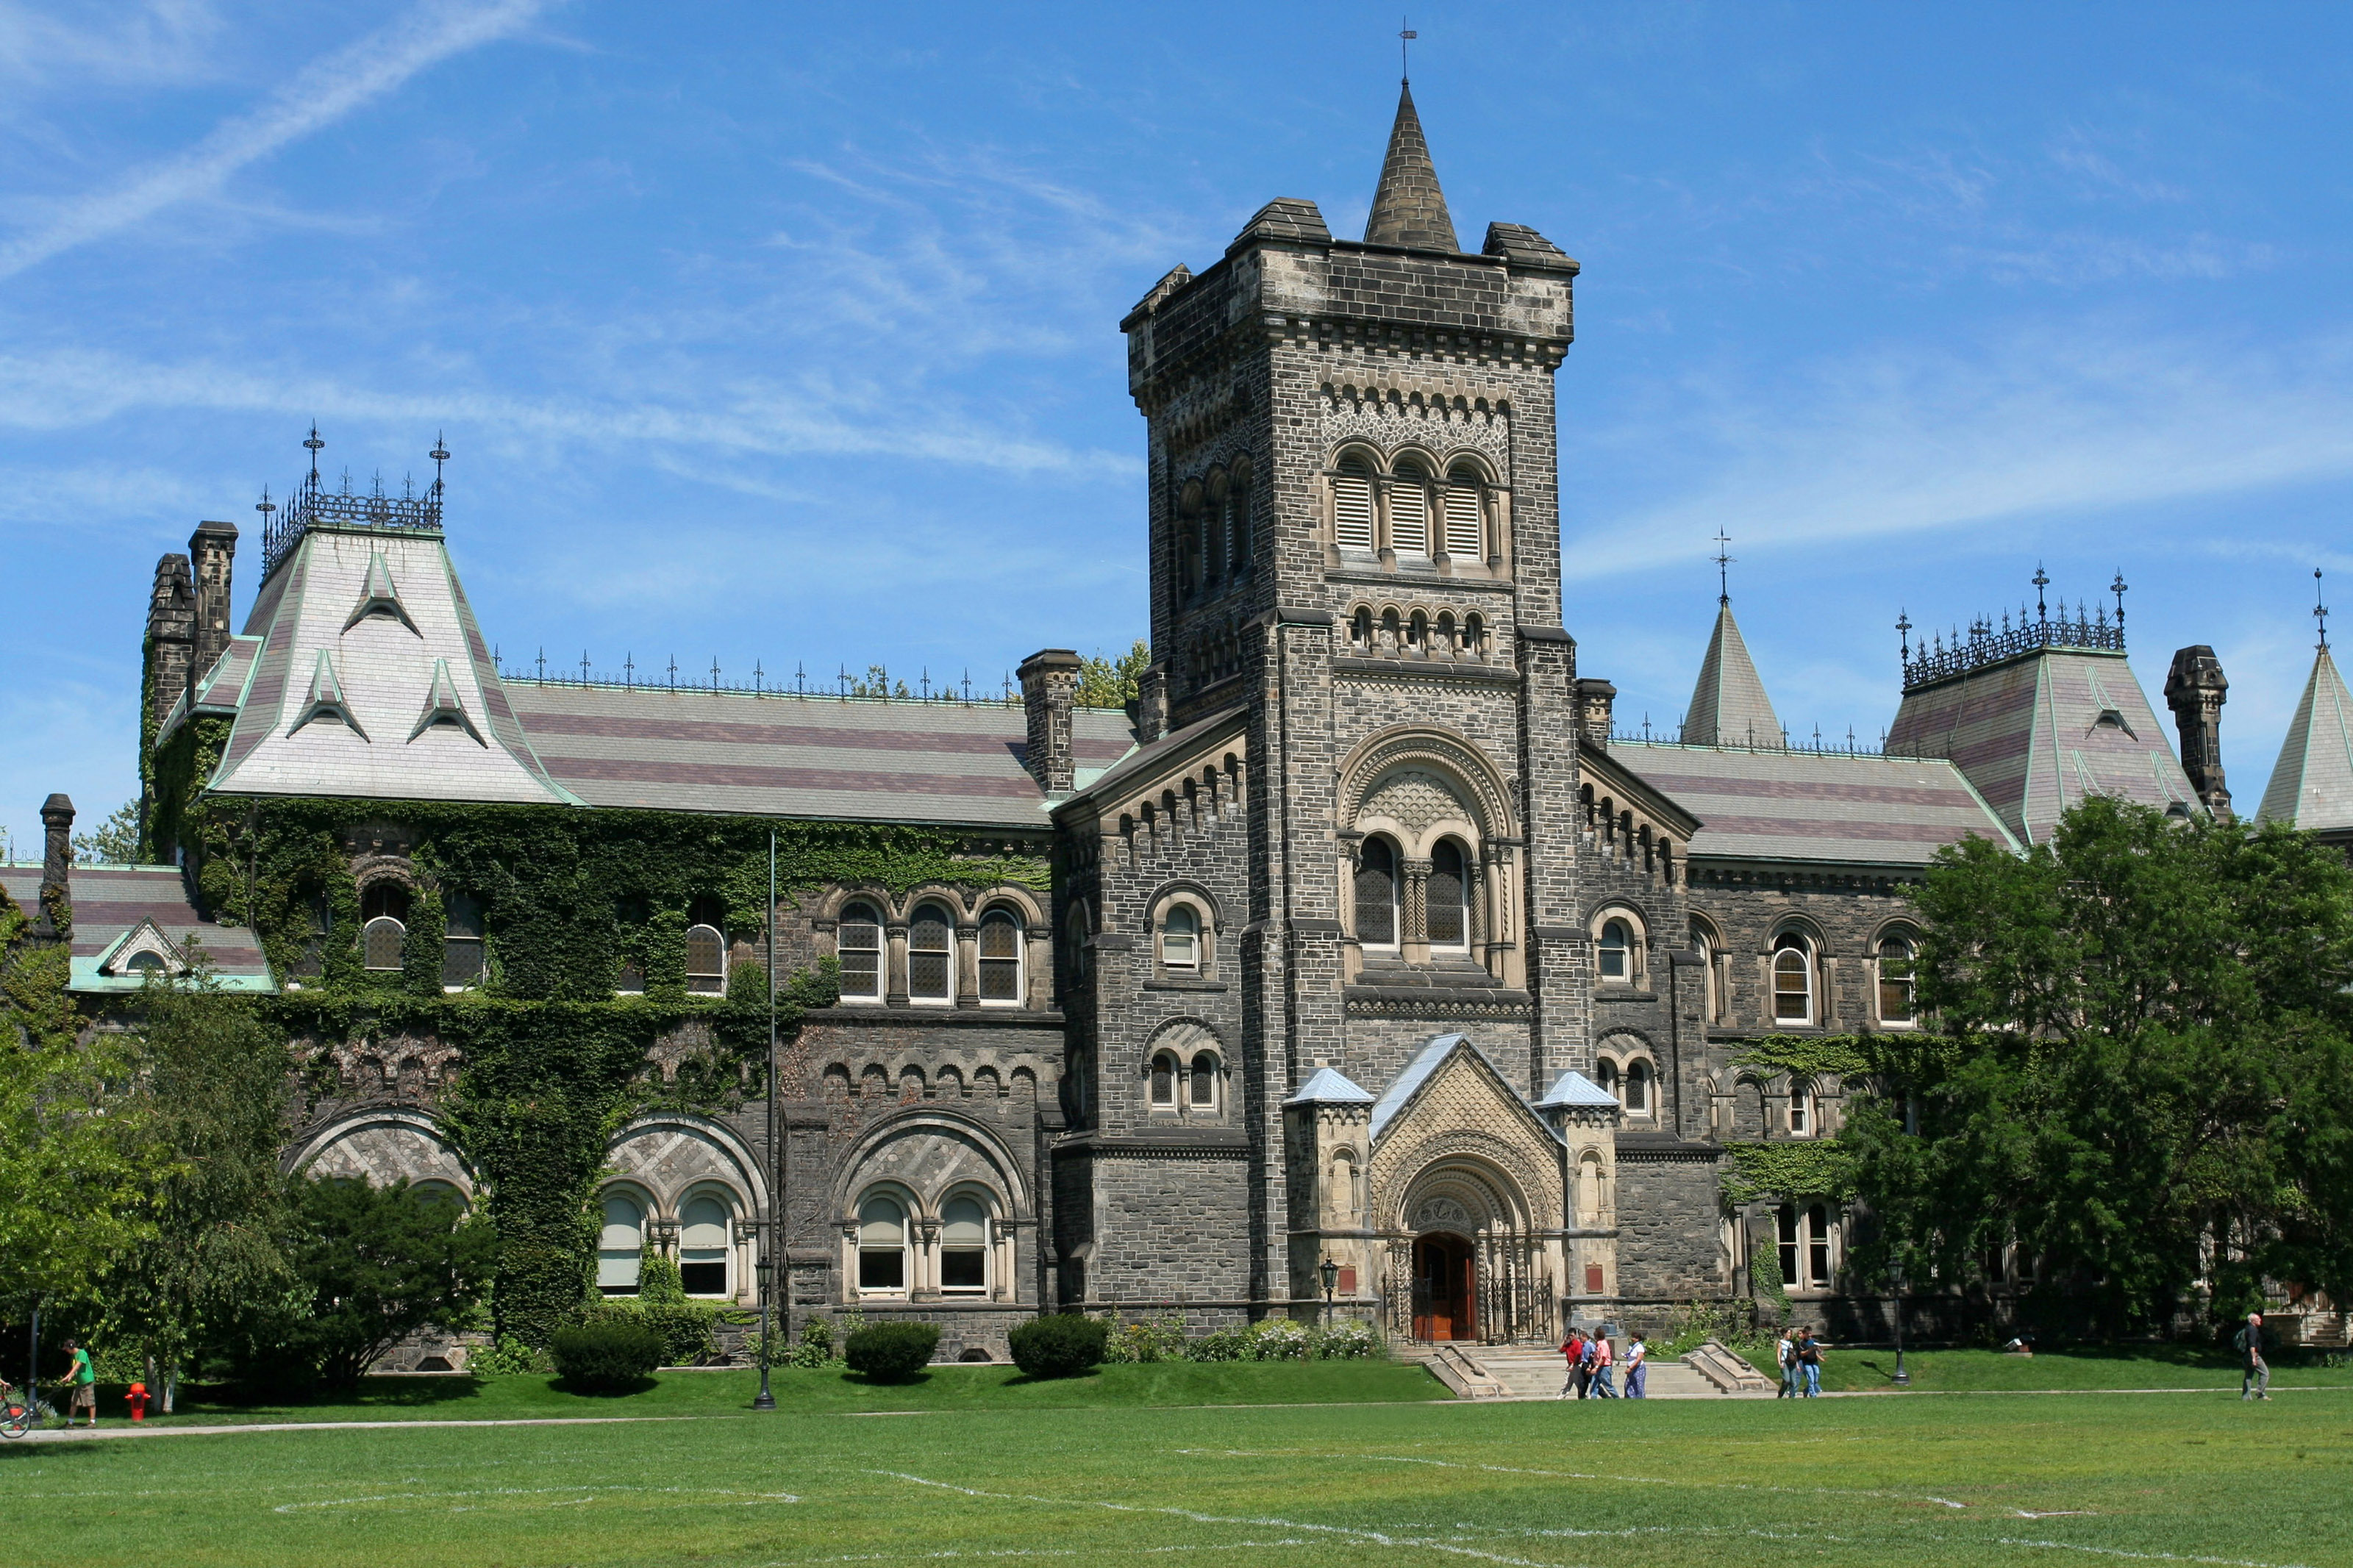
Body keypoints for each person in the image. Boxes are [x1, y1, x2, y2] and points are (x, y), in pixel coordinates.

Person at [57, 1338, 96, 1428]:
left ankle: (92, 1422)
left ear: (71, 1348)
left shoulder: (82, 1353)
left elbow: (78, 1366)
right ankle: (70, 1423)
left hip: (87, 1381)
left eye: (66, 1349)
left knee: (90, 1402)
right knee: (74, 1402)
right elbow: (75, 1370)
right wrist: (70, 1377)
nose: (66, 1351)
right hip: (80, 1382)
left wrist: (67, 1375)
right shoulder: (73, 1356)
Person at [2235, 1312, 2271, 1402]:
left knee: (2248, 1376)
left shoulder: (2247, 1328)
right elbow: (2252, 1344)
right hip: (2253, 1355)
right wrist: (2254, 1357)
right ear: (2252, 1321)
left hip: (2246, 1356)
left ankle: (2246, 1396)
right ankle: (2260, 1393)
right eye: (2258, 1319)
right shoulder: (2253, 1330)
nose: (2260, 1320)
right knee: (2265, 1373)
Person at [1558, 1329, 1586, 1399]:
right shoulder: (1568, 1344)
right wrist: (1564, 1341)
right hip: (1570, 1366)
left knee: (1578, 1382)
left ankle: (1584, 1396)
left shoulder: (1577, 1344)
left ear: (1575, 1336)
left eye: (1572, 1336)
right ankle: (1562, 1395)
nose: (1570, 1337)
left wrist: (1573, 1365)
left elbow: (1578, 1355)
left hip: (1576, 1365)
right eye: (1569, 1335)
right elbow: (1560, 1350)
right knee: (1567, 1382)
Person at [1797, 1326, 1824, 1397]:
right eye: (1807, 1334)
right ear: (1804, 1334)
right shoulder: (1802, 1343)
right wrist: (1810, 1350)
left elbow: (1820, 1351)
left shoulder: (1814, 1341)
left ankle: (1806, 1390)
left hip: (1814, 1362)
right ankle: (1813, 1394)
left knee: (1816, 1378)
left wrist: (1819, 1349)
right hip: (1807, 1363)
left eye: (1810, 1333)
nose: (1809, 1335)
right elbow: (1801, 1354)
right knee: (1811, 1379)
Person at [1590, 1332, 1618, 1397]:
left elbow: (1603, 1358)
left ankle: (1616, 1397)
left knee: (1607, 1385)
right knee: (1594, 1384)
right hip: (1598, 1367)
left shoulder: (1603, 1344)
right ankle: (1593, 1398)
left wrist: (1596, 1367)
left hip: (1604, 1368)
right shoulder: (1598, 1344)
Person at [1624, 1332, 1649, 1399]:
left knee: (1639, 1384)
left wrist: (1630, 1368)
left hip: (1638, 1368)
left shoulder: (1640, 1347)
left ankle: (1640, 1398)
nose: (1632, 1339)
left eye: (1634, 1338)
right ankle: (1631, 1398)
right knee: (1628, 1384)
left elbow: (1639, 1359)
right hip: (1631, 1367)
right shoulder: (1633, 1347)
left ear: (1638, 1339)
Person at [1776, 1327, 1799, 1398]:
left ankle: (1791, 1397)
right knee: (1787, 1380)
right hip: (1785, 1362)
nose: (1790, 1334)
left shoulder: (1791, 1343)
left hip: (1793, 1363)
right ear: (1784, 1334)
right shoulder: (1781, 1343)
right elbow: (1778, 1353)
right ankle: (1780, 1394)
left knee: (1794, 1383)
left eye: (1790, 1333)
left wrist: (1797, 1364)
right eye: (1788, 1333)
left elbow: (1794, 1355)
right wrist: (1780, 1363)